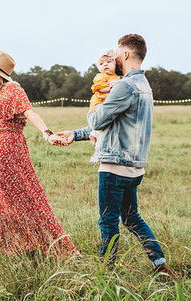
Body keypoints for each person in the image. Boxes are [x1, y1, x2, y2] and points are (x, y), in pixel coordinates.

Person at [56, 34, 176, 276]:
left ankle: (105, 273)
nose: (115, 58)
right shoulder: (144, 86)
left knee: (107, 221)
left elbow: (99, 119)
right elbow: (113, 124)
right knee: (132, 218)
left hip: (114, 166)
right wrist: (76, 134)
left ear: (127, 54)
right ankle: (159, 264)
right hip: (135, 167)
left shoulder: (123, 85)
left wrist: (95, 108)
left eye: (117, 54)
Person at [0, 50, 79, 256]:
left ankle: (40, 244)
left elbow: (29, 111)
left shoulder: (13, 88)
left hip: (8, 149)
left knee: (24, 195)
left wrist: (47, 134)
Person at [88, 50, 119, 146]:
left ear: (115, 64)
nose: (105, 65)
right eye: (101, 64)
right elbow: (98, 88)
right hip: (99, 100)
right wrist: (108, 89)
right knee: (101, 115)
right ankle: (95, 134)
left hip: (107, 100)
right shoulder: (101, 76)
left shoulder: (116, 77)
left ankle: (95, 134)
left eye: (109, 62)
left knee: (106, 119)